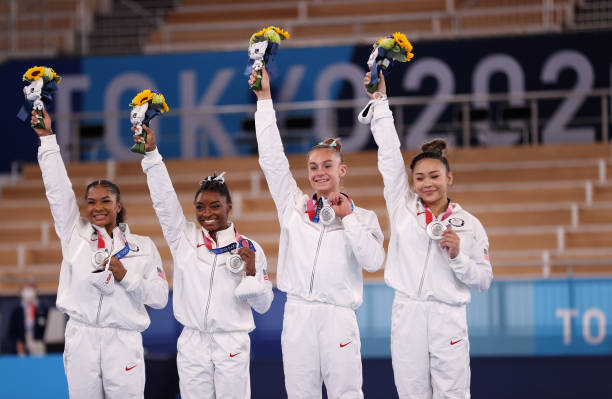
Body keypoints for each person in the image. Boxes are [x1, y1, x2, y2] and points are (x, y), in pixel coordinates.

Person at [249, 67, 386, 398]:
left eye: (327, 166)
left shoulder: (363, 217)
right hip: (297, 314)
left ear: (342, 170)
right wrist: (264, 100)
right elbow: (271, 159)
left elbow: (374, 261)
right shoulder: (293, 206)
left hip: (338, 317)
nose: (320, 172)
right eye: (313, 167)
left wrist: (348, 218)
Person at [361, 72, 493, 398]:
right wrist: (380, 102)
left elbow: (483, 281)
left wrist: (458, 257)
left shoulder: (470, 225)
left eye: (434, 175)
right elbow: (389, 156)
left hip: (448, 316)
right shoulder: (402, 206)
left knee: (453, 394)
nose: (427, 183)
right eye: (419, 178)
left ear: (450, 177)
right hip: (407, 313)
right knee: (411, 393)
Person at [32, 109, 169, 399]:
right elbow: (58, 191)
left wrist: (126, 276)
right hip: (81, 337)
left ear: (119, 206)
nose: (98, 207)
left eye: (106, 201)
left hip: (123, 340)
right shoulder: (74, 235)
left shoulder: (142, 247)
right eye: (91, 202)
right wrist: (47, 140)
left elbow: (159, 298)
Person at [135, 125, 274, 399]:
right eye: (200, 207)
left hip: (231, 341)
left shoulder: (249, 247)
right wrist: (151, 154)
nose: (207, 213)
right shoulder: (183, 239)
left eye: (214, 206)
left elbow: (264, 305)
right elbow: (164, 202)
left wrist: (252, 275)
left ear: (228, 207)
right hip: (192, 341)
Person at [8, 283, 48, 355]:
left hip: (38, 341)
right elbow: (11, 331)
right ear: (20, 292)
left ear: (35, 290)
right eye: (25, 289)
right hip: (22, 340)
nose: (28, 292)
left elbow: (48, 327)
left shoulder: (43, 308)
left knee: (39, 353)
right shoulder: (16, 310)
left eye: (30, 288)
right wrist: (17, 342)